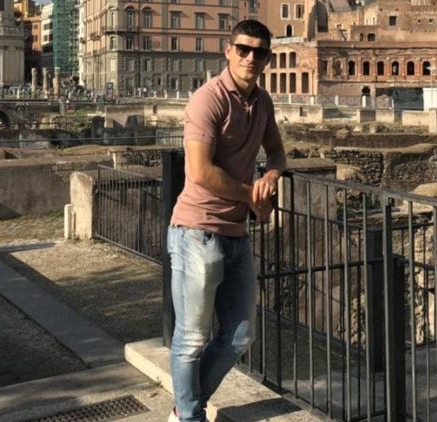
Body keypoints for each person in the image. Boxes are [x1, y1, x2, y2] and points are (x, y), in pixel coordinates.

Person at [166, 19, 286, 422]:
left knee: (239, 335)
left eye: (260, 52)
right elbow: (200, 171)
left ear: (267, 59)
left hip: (236, 234)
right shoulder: (208, 99)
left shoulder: (262, 102)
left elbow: (278, 153)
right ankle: (190, 416)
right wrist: (252, 197)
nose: (251, 58)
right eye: (243, 49)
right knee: (191, 338)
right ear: (228, 51)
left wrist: (271, 176)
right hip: (196, 232)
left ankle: (184, 406)